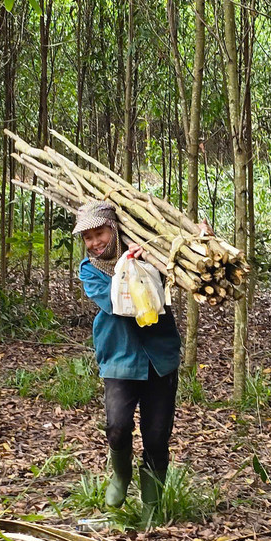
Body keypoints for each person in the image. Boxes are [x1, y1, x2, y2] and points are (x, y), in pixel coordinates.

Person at [73, 199, 182, 511]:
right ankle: (121, 475)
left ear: (115, 229)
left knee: (157, 436)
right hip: (119, 359)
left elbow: (179, 266)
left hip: (160, 357)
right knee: (118, 427)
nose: (94, 243)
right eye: (88, 238)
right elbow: (121, 306)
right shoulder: (90, 271)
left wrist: (196, 241)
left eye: (100, 234)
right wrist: (132, 267)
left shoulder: (153, 257)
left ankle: (152, 504)